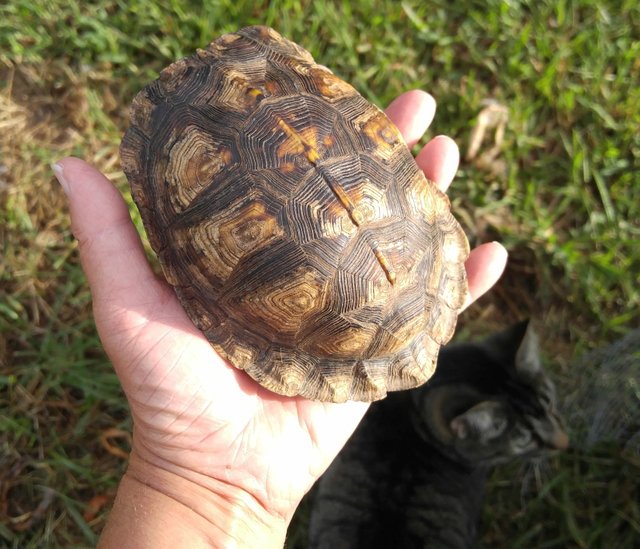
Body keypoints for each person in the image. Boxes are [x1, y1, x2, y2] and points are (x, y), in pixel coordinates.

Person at [52, 90, 507, 548]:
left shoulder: (421, 294)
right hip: (212, 147)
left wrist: (196, 491)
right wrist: (199, 488)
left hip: (384, 247)